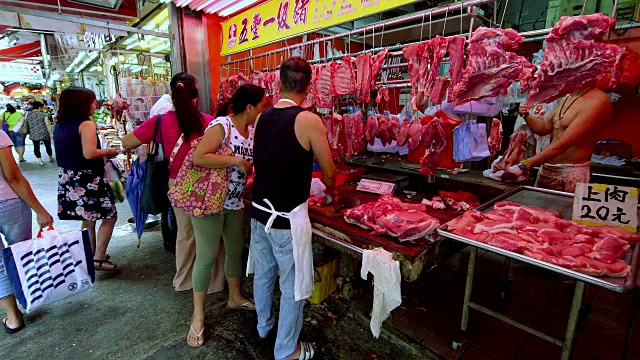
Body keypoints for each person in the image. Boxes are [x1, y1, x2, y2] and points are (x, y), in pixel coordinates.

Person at [250, 57, 336, 360]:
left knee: (263, 274)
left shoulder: (262, 118)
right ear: (309, 86)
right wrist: (329, 189)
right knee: (292, 286)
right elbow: (328, 171)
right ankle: (287, 349)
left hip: (259, 212)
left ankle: (264, 326)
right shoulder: (309, 120)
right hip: (286, 220)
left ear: (278, 83)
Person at [122, 72, 223, 294]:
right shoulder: (208, 121)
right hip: (206, 183)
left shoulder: (159, 121)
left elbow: (127, 141)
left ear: (172, 95)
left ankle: (183, 281)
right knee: (209, 236)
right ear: (196, 96)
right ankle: (214, 282)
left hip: (177, 182)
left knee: (185, 234)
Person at [186, 84, 268, 348]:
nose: (263, 109)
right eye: (262, 105)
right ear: (249, 107)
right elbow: (200, 157)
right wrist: (235, 161)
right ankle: (197, 316)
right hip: (210, 201)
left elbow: (250, 165)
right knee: (207, 256)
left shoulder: (253, 132)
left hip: (234, 201)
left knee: (235, 250)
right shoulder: (222, 126)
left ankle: (234, 296)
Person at [53, 87, 119, 271]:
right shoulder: (86, 124)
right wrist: (111, 151)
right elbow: (90, 153)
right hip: (88, 178)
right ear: (80, 104)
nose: (95, 104)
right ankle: (98, 258)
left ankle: (89, 256)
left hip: (70, 177)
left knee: (87, 218)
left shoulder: (60, 124)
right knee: (110, 216)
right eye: (91, 101)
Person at [503, 81, 612, 192]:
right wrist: (526, 114)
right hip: (547, 170)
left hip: (571, 174)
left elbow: (562, 144)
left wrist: (526, 164)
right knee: (536, 208)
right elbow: (543, 128)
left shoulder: (598, 101)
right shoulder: (567, 98)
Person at [0, 129, 54, 334]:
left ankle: (13, 319)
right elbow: (13, 177)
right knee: (21, 254)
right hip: (9, 204)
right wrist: (40, 211)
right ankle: (30, 297)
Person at [25, 101, 54, 166]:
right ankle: (50, 158)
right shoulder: (43, 114)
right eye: (41, 107)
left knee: (36, 147)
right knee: (48, 146)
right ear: (39, 107)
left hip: (34, 133)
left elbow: (26, 123)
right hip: (44, 133)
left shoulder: (28, 114)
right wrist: (51, 133)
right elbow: (47, 125)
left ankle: (40, 161)